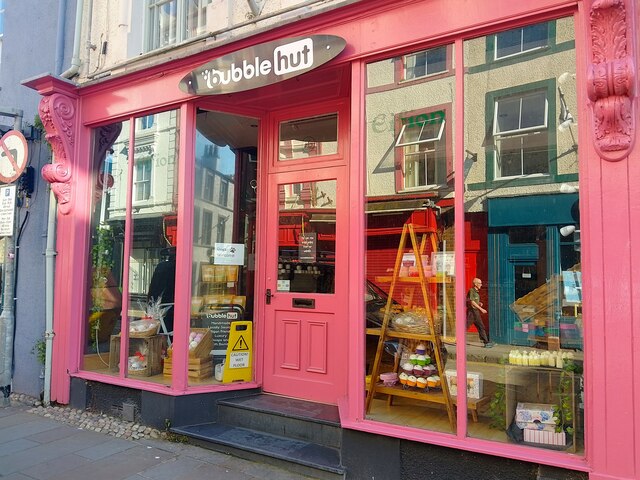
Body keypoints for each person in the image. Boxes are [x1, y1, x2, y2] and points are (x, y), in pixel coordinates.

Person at [147, 247, 176, 333]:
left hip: (164, 306)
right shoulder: (183, 266)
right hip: (172, 306)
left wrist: (151, 305)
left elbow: (154, 289)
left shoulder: (162, 267)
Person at [467, 277, 493, 348]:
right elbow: (472, 302)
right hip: (472, 312)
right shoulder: (472, 291)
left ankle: (486, 342)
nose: (481, 285)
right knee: (466, 326)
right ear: (475, 284)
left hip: (475, 312)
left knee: (481, 326)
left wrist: (479, 303)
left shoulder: (476, 292)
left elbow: (474, 302)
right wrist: (481, 309)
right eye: (480, 283)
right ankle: (459, 339)